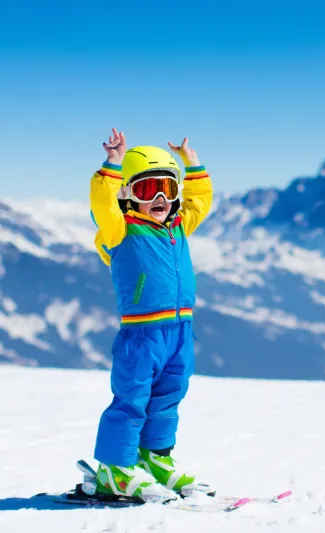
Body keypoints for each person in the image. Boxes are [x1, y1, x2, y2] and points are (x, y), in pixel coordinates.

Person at [89, 127, 213, 502]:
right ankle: (115, 468)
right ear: (128, 193)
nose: (160, 197)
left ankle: (154, 456)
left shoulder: (179, 226)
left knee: (169, 396)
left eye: (168, 188)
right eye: (146, 189)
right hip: (141, 335)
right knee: (133, 397)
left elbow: (199, 203)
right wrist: (112, 165)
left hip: (179, 330)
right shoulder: (119, 230)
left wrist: (192, 165)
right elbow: (103, 206)